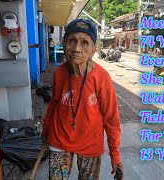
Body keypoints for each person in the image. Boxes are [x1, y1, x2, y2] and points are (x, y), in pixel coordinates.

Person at [42, 19, 123, 180]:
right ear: (64, 43)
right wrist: (45, 132)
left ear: (93, 50)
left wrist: (115, 154)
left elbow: (111, 119)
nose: (77, 49)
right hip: (59, 139)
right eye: (72, 41)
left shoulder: (101, 78)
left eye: (84, 43)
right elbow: (54, 105)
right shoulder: (59, 73)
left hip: (90, 143)